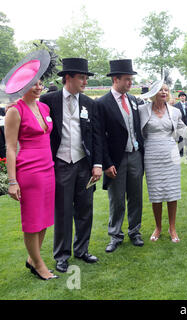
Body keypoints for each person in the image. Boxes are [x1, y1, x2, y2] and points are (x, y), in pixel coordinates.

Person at [40, 58, 102, 273]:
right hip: (60, 164)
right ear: (68, 78)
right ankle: (62, 255)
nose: (85, 81)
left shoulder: (89, 103)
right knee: (63, 212)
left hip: (84, 165)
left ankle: (82, 250)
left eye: (86, 78)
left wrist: (97, 164)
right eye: (82, 77)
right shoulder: (48, 100)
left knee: (85, 209)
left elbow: (96, 137)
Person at [2, 50, 58, 280]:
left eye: (40, 82)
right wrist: (12, 181)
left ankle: (32, 258)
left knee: (44, 217)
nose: (38, 86)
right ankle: (38, 265)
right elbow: (10, 148)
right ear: (22, 85)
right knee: (32, 219)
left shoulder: (44, 107)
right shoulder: (15, 111)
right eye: (33, 83)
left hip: (48, 168)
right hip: (29, 172)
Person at [139, 81, 187, 242]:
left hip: (170, 154)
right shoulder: (142, 110)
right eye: (160, 90)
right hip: (151, 155)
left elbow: (183, 133)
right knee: (155, 193)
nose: (164, 92)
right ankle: (158, 227)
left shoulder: (175, 111)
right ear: (154, 92)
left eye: (166, 90)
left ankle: (172, 228)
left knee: (172, 192)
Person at [97, 59, 145, 253]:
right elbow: (99, 137)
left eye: (131, 79)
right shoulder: (102, 103)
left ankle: (135, 231)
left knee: (136, 197)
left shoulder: (133, 100)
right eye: (127, 79)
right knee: (116, 200)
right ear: (115, 79)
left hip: (135, 156)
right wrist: (107, 163)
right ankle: (115, 235)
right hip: (116, 160)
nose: (130, 83)